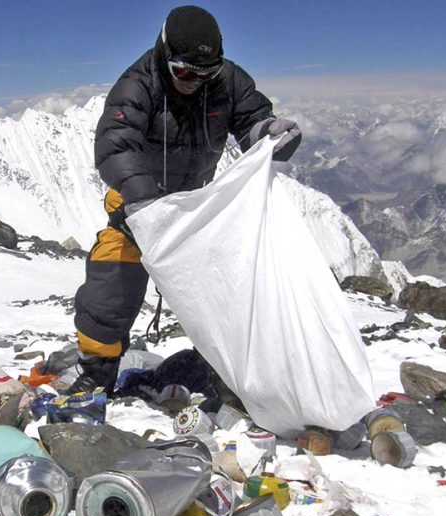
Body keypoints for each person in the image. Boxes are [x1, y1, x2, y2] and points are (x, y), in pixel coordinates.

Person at [67, 5, 302, 394]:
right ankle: (97, 372)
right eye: (185, 72)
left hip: (196, 210)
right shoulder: (137, 86)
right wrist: (143, 201)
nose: (195, 81)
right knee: (111, 288)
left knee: (231, 291)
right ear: (164, 54)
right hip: (136, 210)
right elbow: (114, 146)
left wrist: (269, 133)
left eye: (206, 73)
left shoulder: (228, 81)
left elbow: (250, 120)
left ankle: (230, 373)